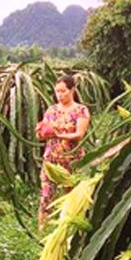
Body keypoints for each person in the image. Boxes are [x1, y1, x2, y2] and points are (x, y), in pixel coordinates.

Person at [36, 74, 91, 229]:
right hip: (51, 161)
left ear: (72, 90)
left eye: (63, 91)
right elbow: (42, 133)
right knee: (46, 196)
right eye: (57, 91)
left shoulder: (81, 110)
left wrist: (57, 134)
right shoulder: (51, 110)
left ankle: (68, 230)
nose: (59, 95)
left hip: (72, 161)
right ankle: (42, 231)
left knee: (71, 197)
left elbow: (79, 134)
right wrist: (40, 132)